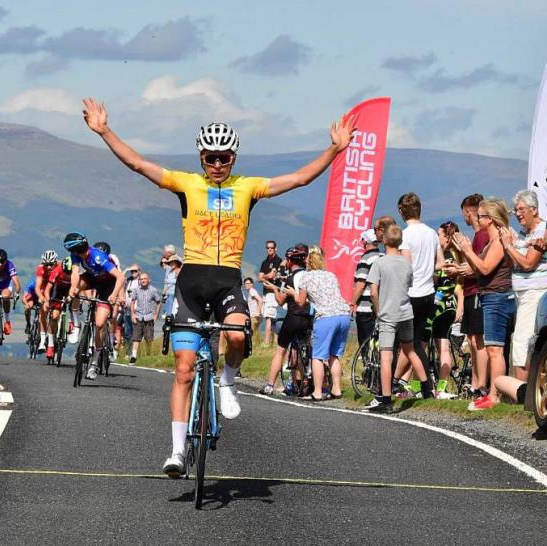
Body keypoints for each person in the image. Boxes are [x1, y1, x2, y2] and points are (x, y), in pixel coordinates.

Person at [82, 97, 355, 476]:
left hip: (227, 279)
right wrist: (104, 131)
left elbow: (300, 178)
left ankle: (228, 381)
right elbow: (137, 163)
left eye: (224, 157)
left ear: (234, 158)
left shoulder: (248, 188)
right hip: (192, 281)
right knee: (183, 370)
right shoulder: (187, 184)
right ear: (200, 158)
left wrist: (334, 149)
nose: (216, 164)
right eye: (210, 157)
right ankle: (177, 452)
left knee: (240, 336)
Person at [453, 197, 515, 411]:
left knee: (495, 349)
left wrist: (469, 250)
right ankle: (493, 393)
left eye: (480, 216)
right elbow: (477, 267)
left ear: (490, 219)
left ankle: (495, 395)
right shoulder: (491, 242)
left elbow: (486, 268)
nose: (477, 220)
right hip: (490, 296)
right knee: (491, 349)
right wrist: (465, 251)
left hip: (497, 297)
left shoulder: (498, 242)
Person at [500, 190, 547, 381]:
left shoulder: (541, 232)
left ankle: (522, 390)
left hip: (534, 291)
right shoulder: (524, 233)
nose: (518, 213)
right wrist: (508, 246)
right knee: (523, 338)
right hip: (521, 291)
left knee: (522, 340)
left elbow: (528, 263)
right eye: (516, 210)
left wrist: (508, 246)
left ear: (534, 209)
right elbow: (511, 264)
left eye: (521, 209)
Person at [364, 224, 416, 413]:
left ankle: (385, 399)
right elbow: (409, 285)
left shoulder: (379, 262)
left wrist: (378, 311)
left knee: (386, 356)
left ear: (384, 240)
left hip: (387, 314)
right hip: (405, 312)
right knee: (409, 350)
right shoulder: (406, 263)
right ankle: (426, 386)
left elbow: (373, 291)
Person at [289, 246, 350, 400]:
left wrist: (293, 294)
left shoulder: (306, 277)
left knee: (317, 356)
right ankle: (336, 389)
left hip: (326, 317)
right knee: (333, 355)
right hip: (343, 315)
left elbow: (301, 302)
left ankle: (317, 392)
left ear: (308, 261)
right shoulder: (331, 275)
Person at [65, 233, 126, 381]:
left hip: (107, 284)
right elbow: (75, 273)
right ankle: (76, 324)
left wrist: (115, 294)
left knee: (99, 324)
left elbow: (121, 277)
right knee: (74, 291)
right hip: (92, 278)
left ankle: (94, 362)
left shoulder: (98, 257)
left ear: (78, 249)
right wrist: (74, 288)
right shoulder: (76, 255)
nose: (71, 254)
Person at [397, 193, 444, 380]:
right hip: (428, 292)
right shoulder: (432, 233)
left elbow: (405, 265)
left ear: (401, 212)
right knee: (417, 342)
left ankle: (397, 380)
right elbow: (440, 263)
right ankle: (413, 382)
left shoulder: (404, 235)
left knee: (408, 343)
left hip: (410, 292)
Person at [448, 193, 488, 398]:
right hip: (471, 290)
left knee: (478, 341)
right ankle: (474, 383)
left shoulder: (482, 235)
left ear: (467, 212)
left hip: (478, 291)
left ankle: (481, 385)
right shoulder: (476, 236)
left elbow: (482, 265)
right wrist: (459, 267)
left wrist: (463, 269)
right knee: (472, 340)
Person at [260, 244, 312, 396]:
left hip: (293, 316)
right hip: (308, 318)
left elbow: (281, 301)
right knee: (300, 350)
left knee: (281, 350)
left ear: (290, 261)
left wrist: (275, 289)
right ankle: (300, 385)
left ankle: (270, 385)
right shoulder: (309, 275)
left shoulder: (291, 278)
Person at [429, 221, 465, 399]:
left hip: (437, 306)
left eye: (439, 235)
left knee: (420, 346)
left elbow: (435, 281)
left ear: (446, 237)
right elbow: (459, 287)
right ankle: (441, 388)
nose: (437, 238)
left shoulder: (443, 257)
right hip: (450, 306)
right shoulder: (459, 255)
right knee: (444, 348)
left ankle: (414, 386)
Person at [351, 224, 384, 353]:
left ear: (365, 242)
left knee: (365, 341)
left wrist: (353, 302)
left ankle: (368, 367)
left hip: (365, 306)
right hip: (381, 304)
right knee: (378, 341)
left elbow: (360, 284)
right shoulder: (383, 256)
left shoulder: (365, 259)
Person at [42, 256, 73, 360]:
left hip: (69, 290)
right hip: (58, 290)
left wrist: (72, 297)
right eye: (66, 273)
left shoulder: (75, 274)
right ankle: (50, 345)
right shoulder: (57, 271)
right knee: (54, 317)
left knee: (75, 301)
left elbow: (78, 289)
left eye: (69, 273)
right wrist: (47, 301)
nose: (67, 275)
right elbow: (47, 289)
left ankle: (72, 322)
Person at [130, 272, 162, 363]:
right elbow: (132, 302)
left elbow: (158, 302)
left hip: (149, 317)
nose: (143, 280)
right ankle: (134, 356)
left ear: (149, 280)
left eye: (145, 279)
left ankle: (148, 355)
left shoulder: (153, 290)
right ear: (139, 281)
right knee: (136, 337)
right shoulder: (136, 290)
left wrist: (156, 315)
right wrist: (132, 314)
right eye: (141, 279)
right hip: (138, 316)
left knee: (149, 338)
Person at [258, 240, 283, 346]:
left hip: (273, 292)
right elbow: (259, 278)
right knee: (271, 318)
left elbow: (272, 276)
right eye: (268, 248)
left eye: (271, 248)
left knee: (269, 317)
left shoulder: (278, 260)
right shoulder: (264, 262)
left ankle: (266, 343)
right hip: (266, 293)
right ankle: (275, 342)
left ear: (275, 249)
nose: (269, 249)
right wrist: (265, 276)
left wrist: (264, 276)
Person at [160, 244, 178, 319]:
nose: (163, 254)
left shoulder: (176, 261)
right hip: (168, 291)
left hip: (174, 291)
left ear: (169, 253)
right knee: (168, 311)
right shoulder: (168, 265)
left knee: (171, 312)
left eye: (165, 252)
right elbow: (162, 263)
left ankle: (171, 318)